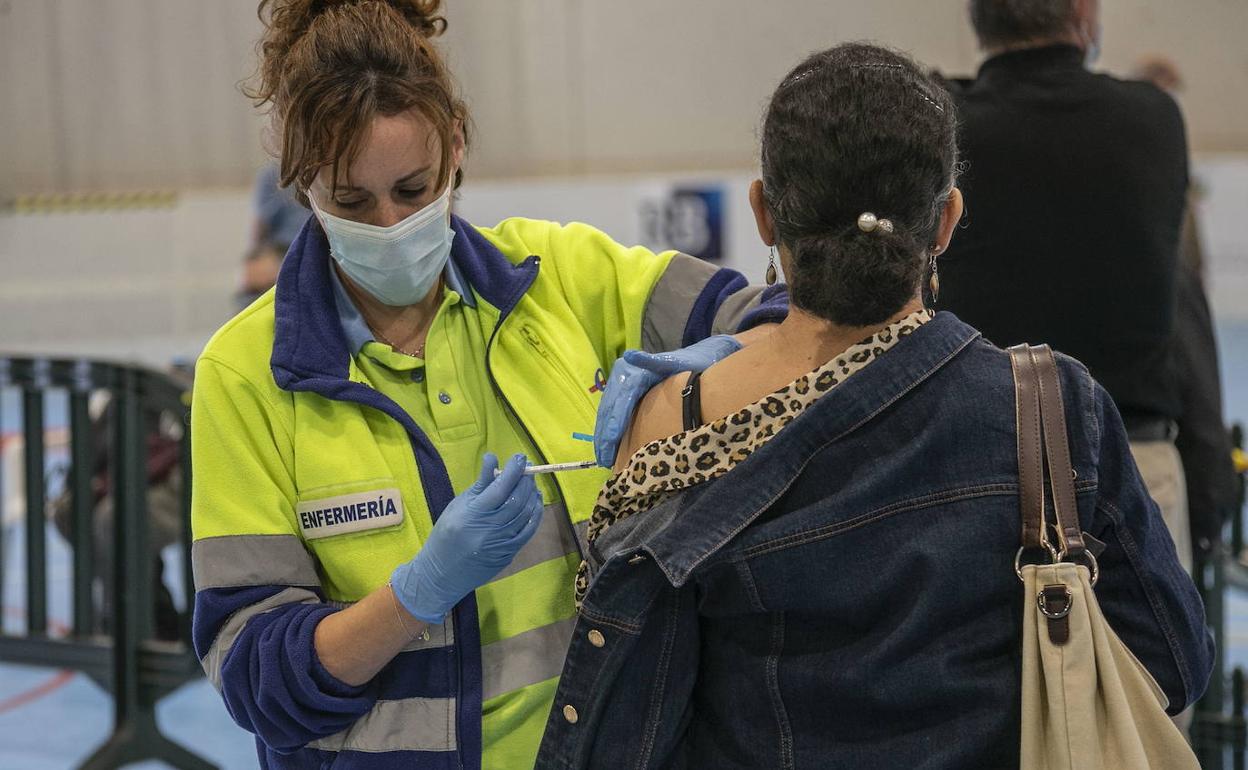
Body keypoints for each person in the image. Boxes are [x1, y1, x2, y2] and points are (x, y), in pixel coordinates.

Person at [536, 43, 1213, 769]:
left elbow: (637, 721)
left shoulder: (679, 421)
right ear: (947, 220)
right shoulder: (1046, 408)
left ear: (765, 213)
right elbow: (1172, 660)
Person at [189, 2, 785, 769]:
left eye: (413, 188)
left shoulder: (558, 276)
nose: (390, 224)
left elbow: (775, 316)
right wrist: (413, 597)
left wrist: (695, 379)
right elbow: (257, 681)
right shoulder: (246, 375)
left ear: (457, 148)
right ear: (300, 185)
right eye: (350, 201)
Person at [936, 0, 1196, 572]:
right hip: (1132, 457)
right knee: (1149, 662)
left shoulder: (948, 127)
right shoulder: (1154, 119)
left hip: (984, 469)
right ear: (1083, 13)